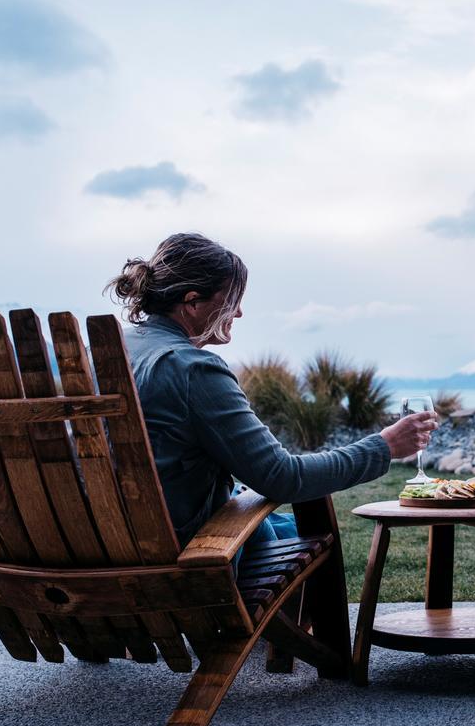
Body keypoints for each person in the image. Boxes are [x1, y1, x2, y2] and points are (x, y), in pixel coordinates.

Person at [107, 232, 437, 568]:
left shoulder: (107, 355)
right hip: (189, 559)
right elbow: (283, 478)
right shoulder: (192, 370)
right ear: (193, 302)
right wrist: (384, 446)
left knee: (284, 525)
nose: (238, 313)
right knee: (311, 533)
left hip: (109, 549)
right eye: (232, 299)